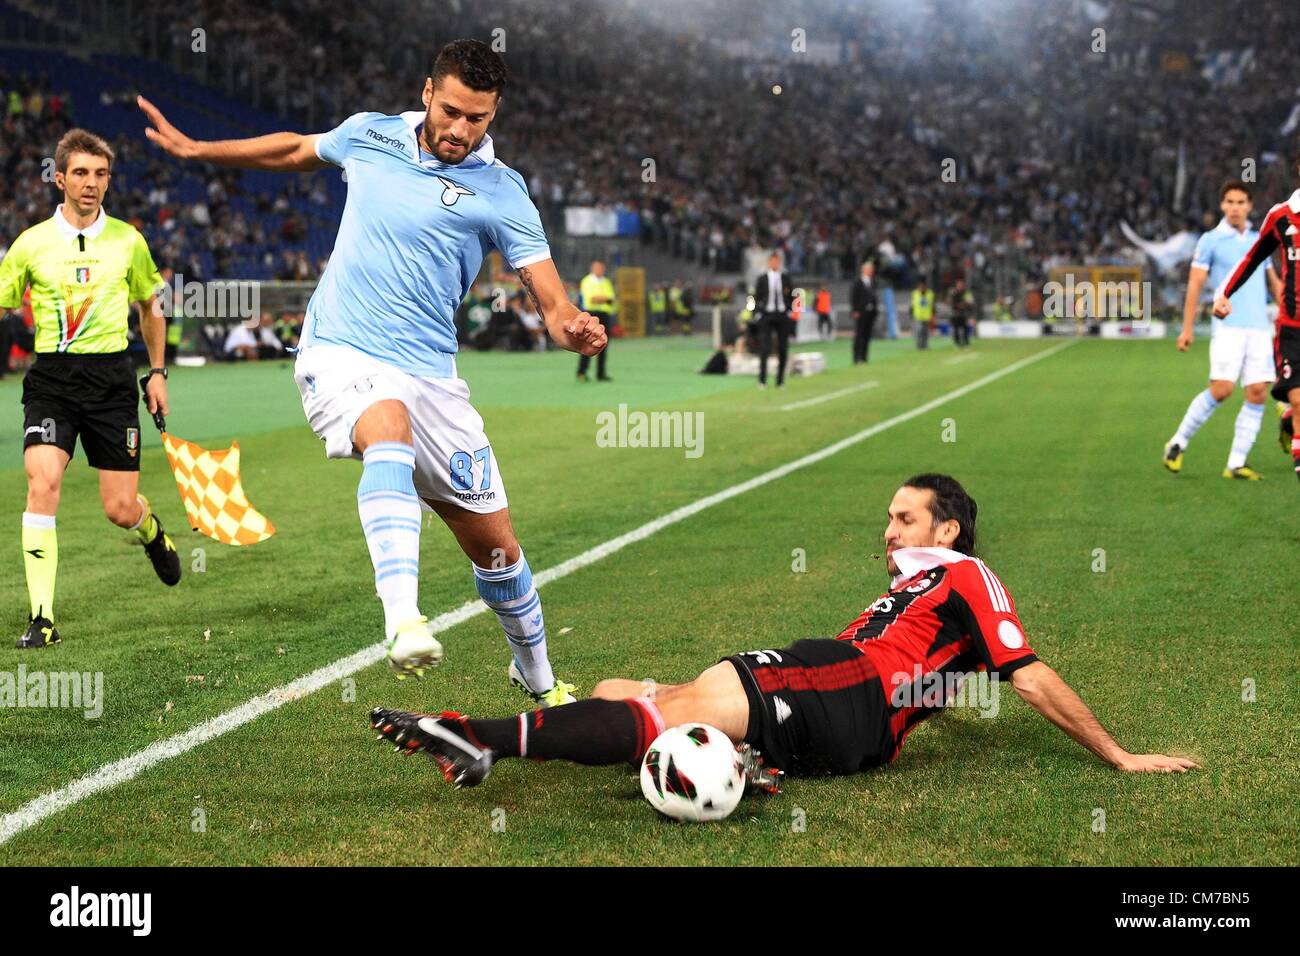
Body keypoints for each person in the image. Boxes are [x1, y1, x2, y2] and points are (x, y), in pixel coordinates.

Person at [140, 39, 606, 704]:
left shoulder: (503, 192)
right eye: (450, 111)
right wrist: (197, 151)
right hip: (342, 351)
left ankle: (537, 677)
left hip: (433, 377)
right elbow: (296, 149)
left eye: (477, 119)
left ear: (493, 116)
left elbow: (554, 303)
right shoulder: (370, 135)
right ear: (426, 93)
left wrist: (574, 329)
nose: (460, 129)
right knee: (387, 427)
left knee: (498, 553)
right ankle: (403, 618)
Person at [371, 474, 1200, 788]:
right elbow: (962, 677)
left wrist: (1119, 754)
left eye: (905, 517)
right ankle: (745, 767)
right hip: (850, 703)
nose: (888, 530)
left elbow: (1025, 672)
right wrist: (928, 697)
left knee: (679, 702)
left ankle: (478, 738)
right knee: (629, 690)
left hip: (851, 685)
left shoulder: (965, 575)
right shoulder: (918, 593)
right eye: (886, 517)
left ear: (948, 531)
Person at [0, 128, 181, 650]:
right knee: (42, 480)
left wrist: (158, 373)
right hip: (52, 380)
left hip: (110, 382)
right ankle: (43, 618)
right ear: (59, 177)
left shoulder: (129, 240)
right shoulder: (31, 243)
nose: (91, 183)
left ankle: (150, 531)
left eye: (100, 174)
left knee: (119, 508)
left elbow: (151, 306)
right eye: (80, 173)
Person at [1165, 180, 1281, 480]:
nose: (1235, 208)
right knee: (1222, 389)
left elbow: (1275, 283)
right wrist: (1187, 328)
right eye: (1230, 202)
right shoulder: (1210, 241)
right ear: (1222, 206)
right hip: (1228, 326)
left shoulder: (1260, 239)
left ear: (1250, 206)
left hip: (1259, 328)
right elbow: (1195, 284)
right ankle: (1178, 442)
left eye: (1241, 202)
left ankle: (1236, 463)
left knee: (1257, 392)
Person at [753, 252, 794, 388]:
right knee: (765, 348)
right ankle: (762, 380)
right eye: (773, 261)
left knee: (783, 348)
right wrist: (756, 313)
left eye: (777, 261)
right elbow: (755, 297)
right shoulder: (762, 279)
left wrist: (790, 310)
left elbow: (793, 295)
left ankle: (780, 380)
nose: (775, 264)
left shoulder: (786, 278)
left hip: (782, 315)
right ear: (769, 262)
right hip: (767, 315)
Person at [576, 259, 615, 381]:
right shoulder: (586, 281)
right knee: (587, 343)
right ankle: (581, 372)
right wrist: (604, 299)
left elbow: (611, 298)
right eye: (597, 267)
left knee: (603, 343)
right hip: (591, 314)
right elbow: (592, 299)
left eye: (601, 267)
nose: (599, 270)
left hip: (605, 314)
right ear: (592, 268)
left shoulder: (606, 282)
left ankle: (601, 373)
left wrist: (602, 299)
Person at [850, 260, 878, 364]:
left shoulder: (873, 282)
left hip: (870, 313)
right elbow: (853, 297)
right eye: (870, 269)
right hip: (860, 313)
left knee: (867, 335)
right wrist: (855, 310)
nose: (872, 271)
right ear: (864, 270)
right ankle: (857, 357)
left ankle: (864, 357)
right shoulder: (858, 282)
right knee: (859, 335)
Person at [948, 277, 974, 348]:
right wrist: (960, 305)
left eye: (961, 285)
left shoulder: (966, 293)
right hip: (955, 314)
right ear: (957, 285)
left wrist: (963, 305)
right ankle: (957, 343)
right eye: (959, 285)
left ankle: (966, 342)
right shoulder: (953, 292)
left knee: (965, 328)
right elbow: (952, 303)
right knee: (956, 328)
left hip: (964, 314)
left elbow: (970, 302)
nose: (960, 286)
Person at [911, 279, 935, 350]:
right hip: (918, 316)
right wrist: (911, 315)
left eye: (922, 286)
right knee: (919, 331)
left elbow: (932, 305)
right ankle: (919, 345)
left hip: (927, 316)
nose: (921, 287)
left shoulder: (930, 294)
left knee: (925, 332)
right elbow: (912, 305)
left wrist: (933, 315)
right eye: (920, 286)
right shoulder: (914, 293)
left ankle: (925, 345)